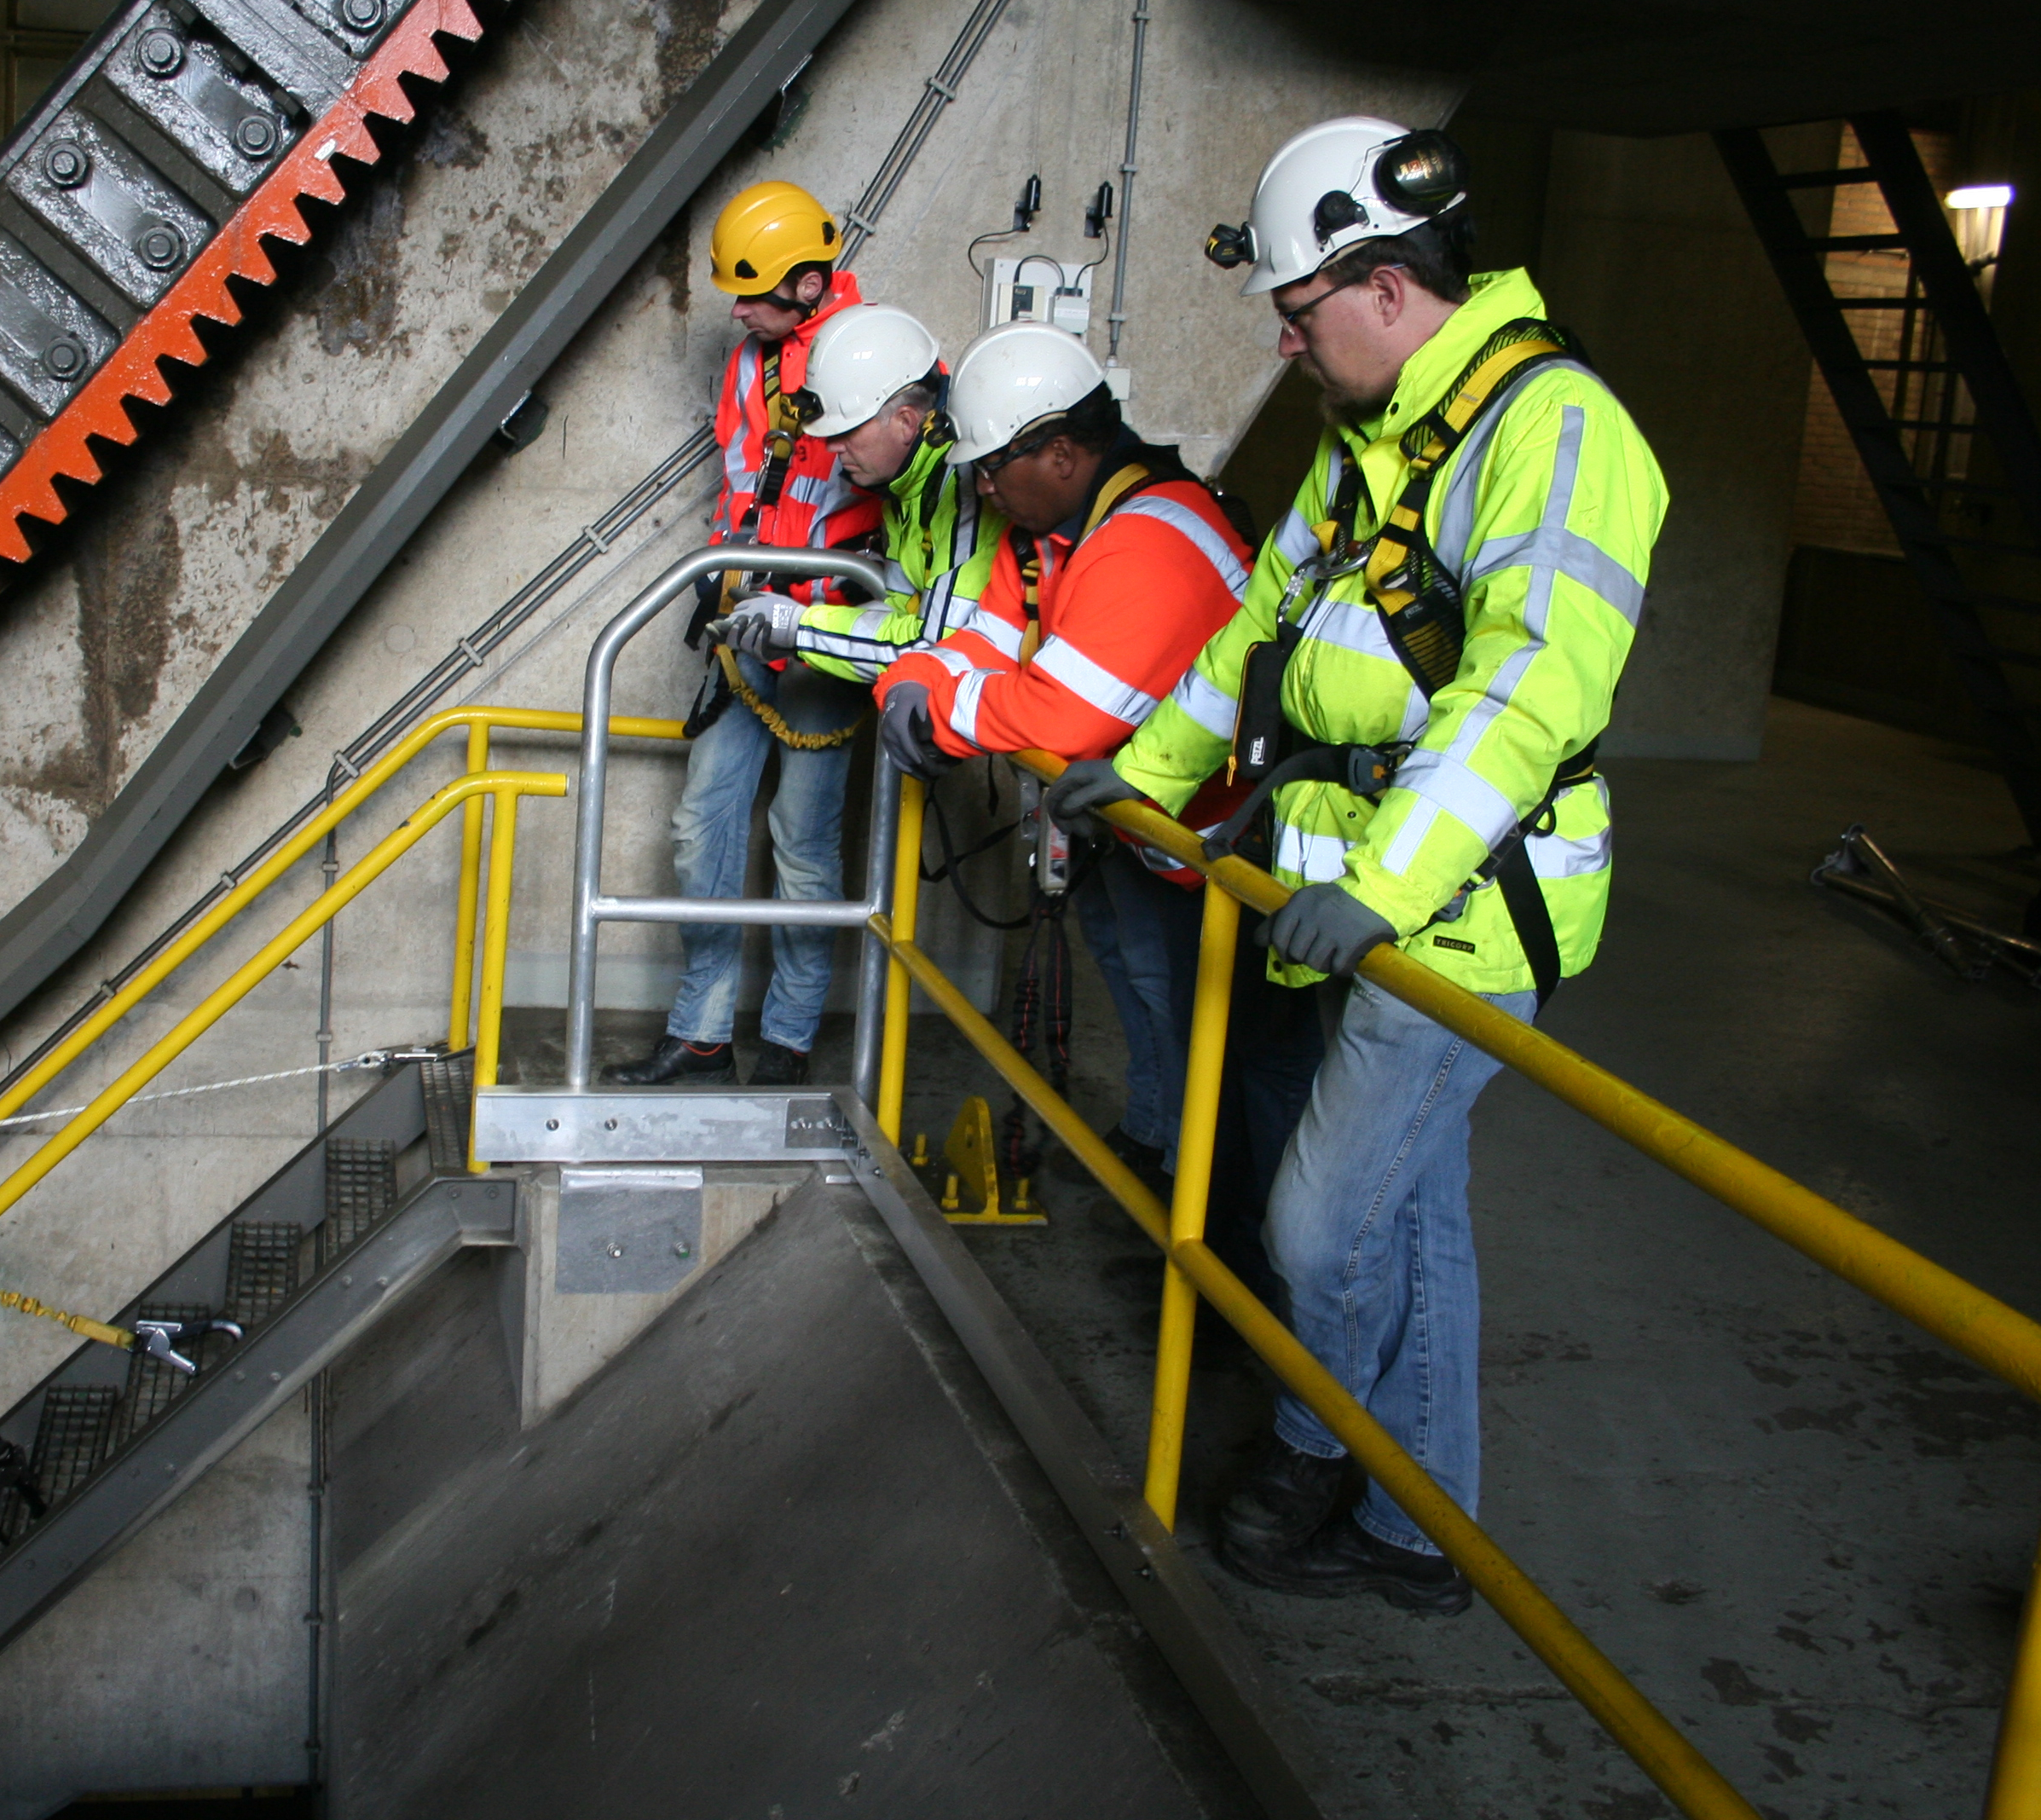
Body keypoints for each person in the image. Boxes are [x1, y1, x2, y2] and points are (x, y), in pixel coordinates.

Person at [1055, 117, 1668, 1615]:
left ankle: (1321, 1445)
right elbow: (1248, 642)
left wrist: (1385, 882)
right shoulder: (1374, 442)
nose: (1287, 339)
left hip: (1459, 913)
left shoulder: (1559, 432)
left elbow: (1526, 688)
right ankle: (1420, 1530)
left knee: (1319, 1221)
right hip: (1375, 900)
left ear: (1385, 286)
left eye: (1296, 308)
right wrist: (1134, 783)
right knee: (1410, 1215)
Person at [872, 322, 1252, 1181]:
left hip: (1206, 838)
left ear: (1064, 455)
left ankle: (1200, 1180)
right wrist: (906, 683)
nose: (982, 487)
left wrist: (934, 711)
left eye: (992, 466)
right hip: (1127, 814)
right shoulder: (1052, 538)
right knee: (1132, 974)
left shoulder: (1153, 537)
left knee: (1176, 999)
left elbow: (1061, 717)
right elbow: (981, 640)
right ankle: (1158, 1138)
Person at [607, 181, 883, 1089]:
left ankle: (793, 1036)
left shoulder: (878, 362)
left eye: (755, 292)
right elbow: (741, 483)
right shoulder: (748, 366)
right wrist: (730, 582)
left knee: (804, 841)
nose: (736, 308)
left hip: (828, 631)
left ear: (809, 285)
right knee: (704, 826)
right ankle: (702, 1029)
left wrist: (828, 611)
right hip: (746, 620)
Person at [708, 300, 999, 685]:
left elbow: (937, 650)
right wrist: (795, 633)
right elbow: (898, 615)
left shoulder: (960, 488)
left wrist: (799, 629)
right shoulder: (907, 484)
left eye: (846, 432)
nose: (832, 448)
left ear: (906, 423)